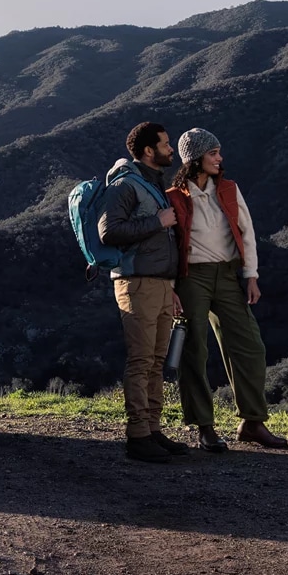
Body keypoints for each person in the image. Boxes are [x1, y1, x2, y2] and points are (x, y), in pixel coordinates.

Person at [166, 128, 288, 451]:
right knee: (194, 349)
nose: (220, 158)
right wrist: (170, 288)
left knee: (250, 346)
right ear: (195, 159)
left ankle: (252, 422)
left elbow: (247, 232)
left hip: (228, 275)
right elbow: (167, 247)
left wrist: (252, 276)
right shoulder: (174, 197)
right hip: (191, 278)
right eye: (213, 153)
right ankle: (204, 427)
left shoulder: (229, 189)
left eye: (218, 152)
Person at [98, 122, 189, 463]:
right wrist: (158, 222)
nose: (170, 149)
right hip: (136, 283)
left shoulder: (152, 183)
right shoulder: (124, 185)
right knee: (141, 360)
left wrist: (171, 287)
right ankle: (137, 436)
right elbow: (109, 232)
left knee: (156, 361)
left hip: (161, 284)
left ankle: (152, 429)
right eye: (165, 144)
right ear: (149, 151)